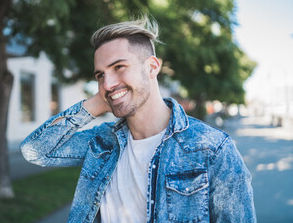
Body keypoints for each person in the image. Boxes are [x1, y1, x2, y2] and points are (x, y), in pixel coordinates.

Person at [20, 16, 256, 223]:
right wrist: (100, 100)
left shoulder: (213, 149)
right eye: (100, 75)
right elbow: (35, 151)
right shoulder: (102, 142)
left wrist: (115, 90)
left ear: (152, 67)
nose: (107, 82)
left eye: (119, 67)